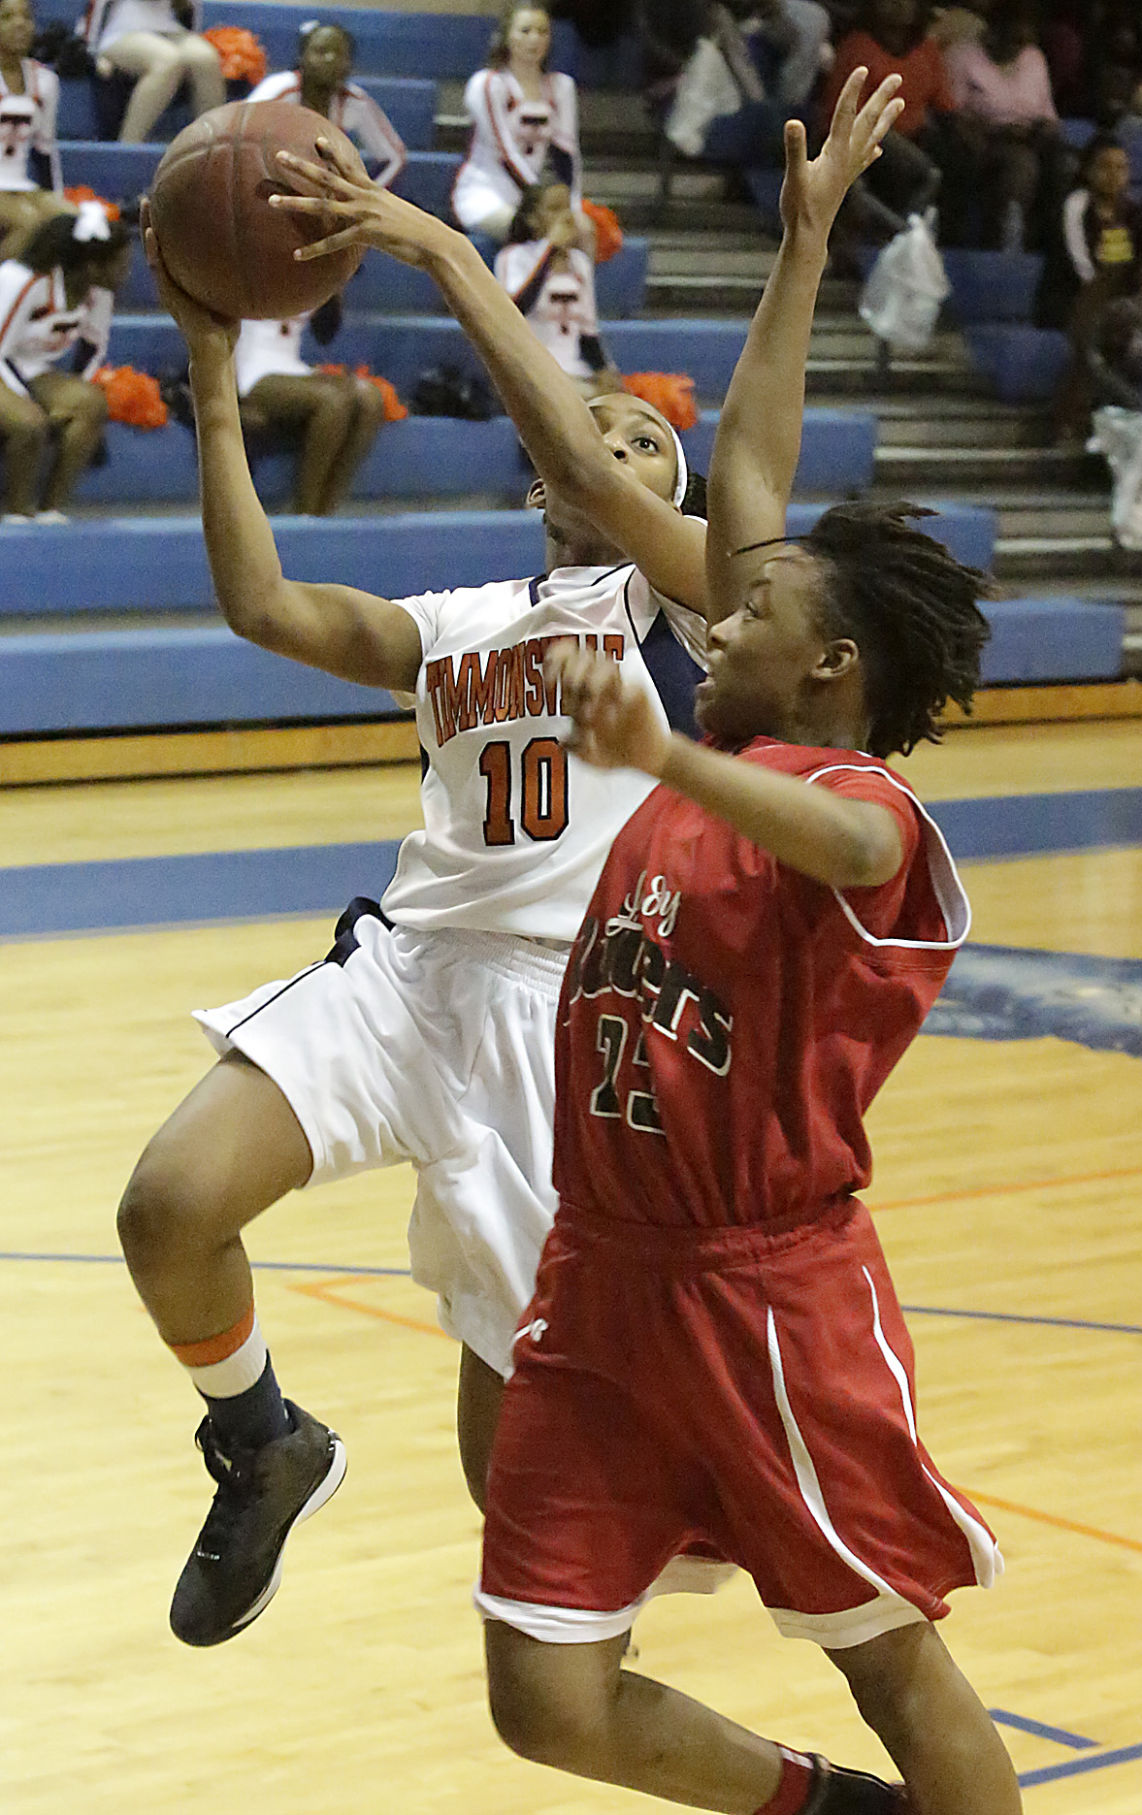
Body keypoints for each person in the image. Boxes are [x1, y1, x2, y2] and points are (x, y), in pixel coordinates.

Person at [474, 71, 1023, 1815]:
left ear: (827, 669)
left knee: (888, 1655)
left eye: (753, 609)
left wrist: (663, 755)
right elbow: (761, 465)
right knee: (542, 1696)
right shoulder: (757, 698)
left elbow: (856, 841)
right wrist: (796, 251)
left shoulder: (847, 797)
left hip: (762, 1289)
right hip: (600, 1271)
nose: (719, 604)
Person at [122, 110, 718, 1645]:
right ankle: (262, 1440)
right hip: (403, 974)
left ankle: (631, 1691)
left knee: (509, 1495)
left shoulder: (697, 606)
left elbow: (623, 469)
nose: (613, 443)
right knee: (167, 1205)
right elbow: (258, 601)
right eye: (595, 427)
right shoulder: (462, 617)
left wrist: (439, 246)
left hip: (560, 1030)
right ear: (536, 476)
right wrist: (207, 363)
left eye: (648, 437)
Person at [0, 202, 130, 521]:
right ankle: (17, 515)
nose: (126, 274)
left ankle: (51, 510)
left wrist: (71, 390)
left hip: (27, 366)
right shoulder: (23, 281)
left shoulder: (98, 294)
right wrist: (24, 400)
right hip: (5, 362)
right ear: (91, 266)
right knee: (28, 424)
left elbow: (91, 348)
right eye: (120, 265)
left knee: (90, 404)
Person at [232, 306, 392, 516]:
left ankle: (325, 511)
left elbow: (325, 334)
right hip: (251, 371)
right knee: (334, 401)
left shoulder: (311, 275)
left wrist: (334, 290)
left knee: (370, 397)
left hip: (292, 366)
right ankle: (304, 511)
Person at [452, 3, 584, 242]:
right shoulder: (488, 84)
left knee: (586, 232)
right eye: (525, 31)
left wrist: (571, 207)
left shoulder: (561, 86)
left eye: (542, 31)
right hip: (485, 195)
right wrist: (541, 203)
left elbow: (567, 154)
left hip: (535, 201)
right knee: (534, 231)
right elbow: (504, 152)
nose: (534, 39)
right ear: (506, 37)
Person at [820, 0, 952, 235]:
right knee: (927, 173)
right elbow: (844, 115)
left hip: (916, 137)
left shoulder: (927, 49)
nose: (899, 5)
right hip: (867, 136)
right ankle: (902, 234)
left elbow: (944, 105)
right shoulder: (856, 47)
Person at [941, 1, 1060, 251]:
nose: (1018, 48)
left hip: (1032, 140)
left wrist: (1042, 130)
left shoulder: (1033, 58)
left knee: (1067, 165)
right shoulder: (962, 56)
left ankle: (1052, 253)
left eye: (1022, 42)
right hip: (985, 142)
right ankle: (1001, 250)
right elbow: (951, 115)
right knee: (1020, 166)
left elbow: (1049, 115)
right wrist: (997, 131)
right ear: (993, 32)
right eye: (1012, 39)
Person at [494, 182, 622, 398]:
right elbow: (515, 310)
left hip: (574, 369)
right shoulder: (512, 258)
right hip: (530, 368)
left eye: (567, 208)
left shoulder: (579, 263)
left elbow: (588, 332)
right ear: (532, 219)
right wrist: (550, 248)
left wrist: (605, 371)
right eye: (554, 209)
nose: (565, 218)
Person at [246, 22, 406, 190]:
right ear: (302, 57)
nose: (331, 59)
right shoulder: (278, 90)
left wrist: (368, 196)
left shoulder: (354, 101)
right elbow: (236, 134)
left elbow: (394, 158)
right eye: (321, 51)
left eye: (340, 54)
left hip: (321, 199)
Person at [78, 0, 225, 144]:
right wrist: (92, 51)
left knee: (206, 59)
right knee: (167, 60)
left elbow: (191, 8)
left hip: (169, 27)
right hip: (120, 29)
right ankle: (129, 146)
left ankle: (210, 150)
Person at [0, 0, 65, 254]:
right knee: (29, 223)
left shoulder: (46, 81)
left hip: (19, 184)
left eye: (26, 18)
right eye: (7, 17)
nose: (19, 24)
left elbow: (45, 151)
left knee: (71, 219)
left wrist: (54, 197)